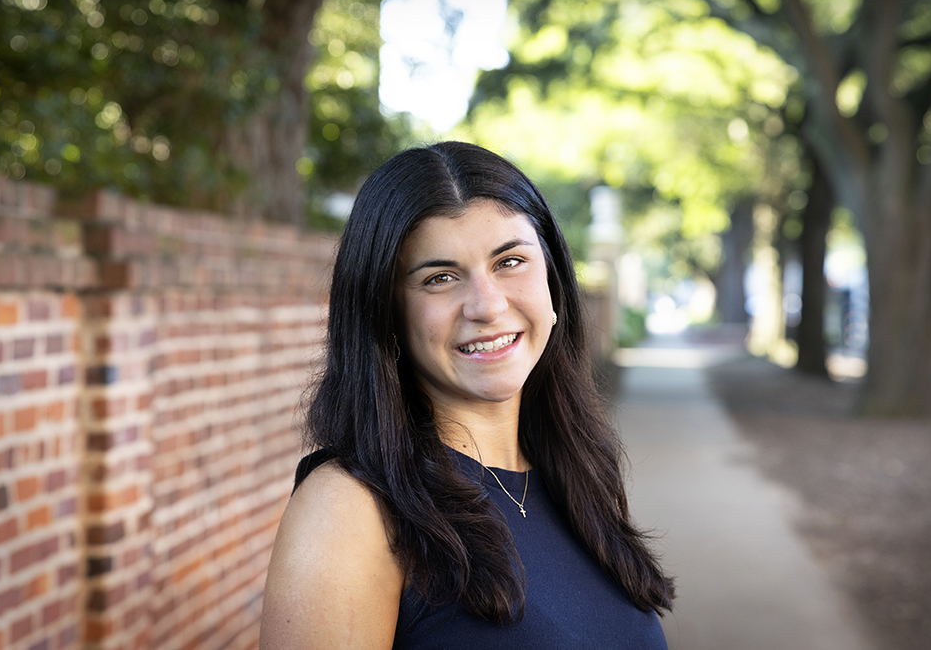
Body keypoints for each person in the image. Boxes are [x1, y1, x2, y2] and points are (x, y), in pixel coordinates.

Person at [260, 141, 674, 649]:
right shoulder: (350, 511)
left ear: (553, 287)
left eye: (510, 262)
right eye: (440, 278)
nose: (487, 305)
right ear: (387, 314)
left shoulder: (580, 475)